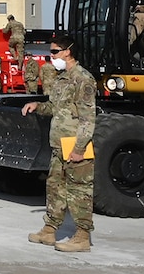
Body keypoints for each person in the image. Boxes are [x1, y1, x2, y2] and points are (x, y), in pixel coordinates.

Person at [23, 33, 96, 254]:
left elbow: (88, 118)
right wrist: (37, 105)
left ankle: (82, 237)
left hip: (75, 144)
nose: (51, 56)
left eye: (54, 52)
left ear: (67, 51)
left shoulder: (83, 79)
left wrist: (79, 149)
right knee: (55, 188)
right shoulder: (61, 79)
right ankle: (49, 229)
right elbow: (56, 108)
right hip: (59, 144)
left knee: (79, 191)